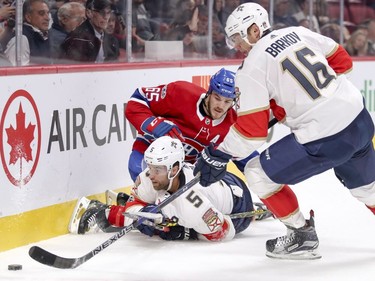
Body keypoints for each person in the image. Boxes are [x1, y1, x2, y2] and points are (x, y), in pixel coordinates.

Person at [194, 2, 375, 260]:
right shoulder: (298, 32)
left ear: (254, 30)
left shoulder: (252, 66)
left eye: (237, 37)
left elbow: (251, 133)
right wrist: (306, 97)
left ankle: (301, 235)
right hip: (359, 119)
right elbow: (344, 63)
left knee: (257, 173)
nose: (236, 45)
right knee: (369, 189)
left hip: (325, 137)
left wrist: (218, 153)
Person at [69, 136, 271, 241]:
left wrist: (186, 233)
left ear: (174, 169)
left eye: (158, 169)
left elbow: (222, 231)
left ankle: (255, 211)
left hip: (237, 201)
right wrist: (142, 213)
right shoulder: (151, 177)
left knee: (171, 221)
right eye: (150, 167)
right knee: (152, 217)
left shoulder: (195, 203)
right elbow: (134, 204)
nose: (151, 174)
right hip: (212, 187)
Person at [125, 67, 257, 182]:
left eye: (227, 101)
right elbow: (137, 100)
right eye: (217, 98)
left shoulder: (232, 126)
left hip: (184, 172)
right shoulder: (181, 92)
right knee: (142, 176)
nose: (221, 106)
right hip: (149, 154)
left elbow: (248, 159)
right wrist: (153, 124)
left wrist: (267, 175)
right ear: (209, 93)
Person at [4, 0, 51, 66]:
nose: (47, 18)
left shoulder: (44, 36)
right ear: (28, 17)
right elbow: (18, 73)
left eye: (48, 13)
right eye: (41, 13)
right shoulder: (21, 39)